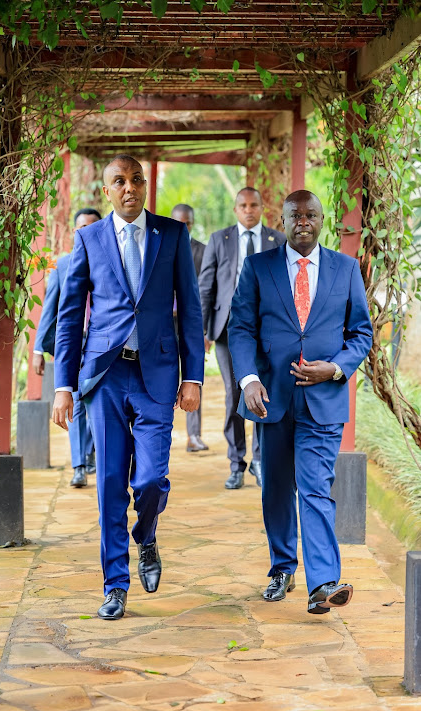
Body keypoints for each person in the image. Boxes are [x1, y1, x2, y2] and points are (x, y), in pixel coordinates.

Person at [52, 155, 204, 620]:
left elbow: (191, 310)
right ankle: (114, 584)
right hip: (105, 376)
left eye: (136, 179)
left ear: (144, 185)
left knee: (151, 479)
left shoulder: (172, 235)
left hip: (157, 373)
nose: (129, 188)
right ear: (107, 190)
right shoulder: (89, 239)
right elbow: (70, 315)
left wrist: (193, 376)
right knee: (111, 484)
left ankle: (147, 534)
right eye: (119, 181)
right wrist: (64, 384)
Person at [228, 190, 372, 615]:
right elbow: (240, 328)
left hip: (324, 400)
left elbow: (361, 333)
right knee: (275, 488)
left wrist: (337, 368)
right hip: (270, 397)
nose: (304, 221)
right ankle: (282, 567)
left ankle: (323, 583)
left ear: (322, 220)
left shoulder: (346, 270)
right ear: (284, 220)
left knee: (315, 488)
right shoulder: (258, 267)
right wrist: (248, 379)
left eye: (311, 214)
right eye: (296, 215)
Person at [199, 187, 285, 489]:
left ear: (262, 208)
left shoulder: (278, 241)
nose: (249, 210)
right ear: (236, 209)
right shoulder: (219, 240)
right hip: (226, 330)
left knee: (264, 393)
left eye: (254, 205)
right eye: (243, 205)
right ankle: (236, 462)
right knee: (234, 395)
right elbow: (206, 287)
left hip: (268, 332)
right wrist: (203, 332)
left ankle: (260, 460)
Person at [33, 208, 102, 488]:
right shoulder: (63, 265)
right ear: (76, 231)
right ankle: (79, 466)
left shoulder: (112, 262)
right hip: (75, 342)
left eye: (93, 226)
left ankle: (95, 455)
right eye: (82, 227)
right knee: (74, 402)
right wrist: (38, 348)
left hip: (101, 346)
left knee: (96, 401)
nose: (87, 231)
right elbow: (50, 309)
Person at [171, 203, 208, 452]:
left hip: (190, 323)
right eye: (178, 223)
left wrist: (205, 332)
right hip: (163, 323)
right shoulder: (158, 247)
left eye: (187, 223)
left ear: (192, 224)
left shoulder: (203, 252)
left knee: (193, 377)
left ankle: (193, 435)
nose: (183, 227)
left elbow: (205, 291)